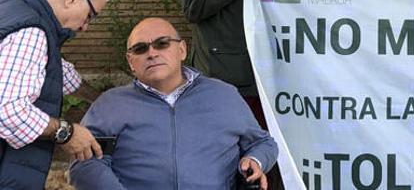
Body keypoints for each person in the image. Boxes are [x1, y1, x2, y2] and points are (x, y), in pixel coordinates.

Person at [69, 18, 278, 190]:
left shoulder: (223, 95)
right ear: (131, 62)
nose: (152, 53)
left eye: (162, 44)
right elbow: (85, 163)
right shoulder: (111, 104)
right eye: (141, 49)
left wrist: (255, 160)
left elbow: (263, 143)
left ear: (182, 50)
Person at [0, 0, 110, 189]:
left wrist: (106, 101)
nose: (85, 27)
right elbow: (8, 112)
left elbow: (57, 73)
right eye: (90, 15)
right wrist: (66, 133)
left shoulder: (12, 6)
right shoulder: (30, 32)